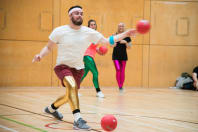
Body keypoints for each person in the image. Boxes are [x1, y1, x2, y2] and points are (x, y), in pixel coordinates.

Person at [32, 5, 136, 130]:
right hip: (62, 66)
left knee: (70, 95)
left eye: (81, 13)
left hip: (78, 69)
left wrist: (126, 33)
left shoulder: (89, 32)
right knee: (72, 86)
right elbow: (49, 47)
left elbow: (107, 41)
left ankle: (51, 109)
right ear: (70, 15)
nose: (80, 15)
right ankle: (78, 120)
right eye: (77, 13)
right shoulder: (59, 31)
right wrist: (40, 55)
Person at [80, 19, 105, 98]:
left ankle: (74, 90)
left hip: (90, 56)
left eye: (94, 24)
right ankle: (98, 91)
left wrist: (100, 51)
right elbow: (88, 44)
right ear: (88, 26)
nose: (93, 26)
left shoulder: (96, 35)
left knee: (83, 74)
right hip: (87, 56)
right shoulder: (88, 34)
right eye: (91, 24)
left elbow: (94, 47)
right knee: (95, 73)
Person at [111, 23, 132, 92]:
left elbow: (129, 47)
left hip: (123, 57)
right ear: (118, 27)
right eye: (119, 26)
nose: (121, 27)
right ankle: (119, 86)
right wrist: (113, 44)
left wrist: (125, 42)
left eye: (122, 26)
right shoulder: (114, 35)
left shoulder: (127, 36)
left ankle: (121, 86)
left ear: (124, 27)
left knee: (122, 71)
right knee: (118, 70)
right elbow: (111, 45)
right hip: (116, 56)